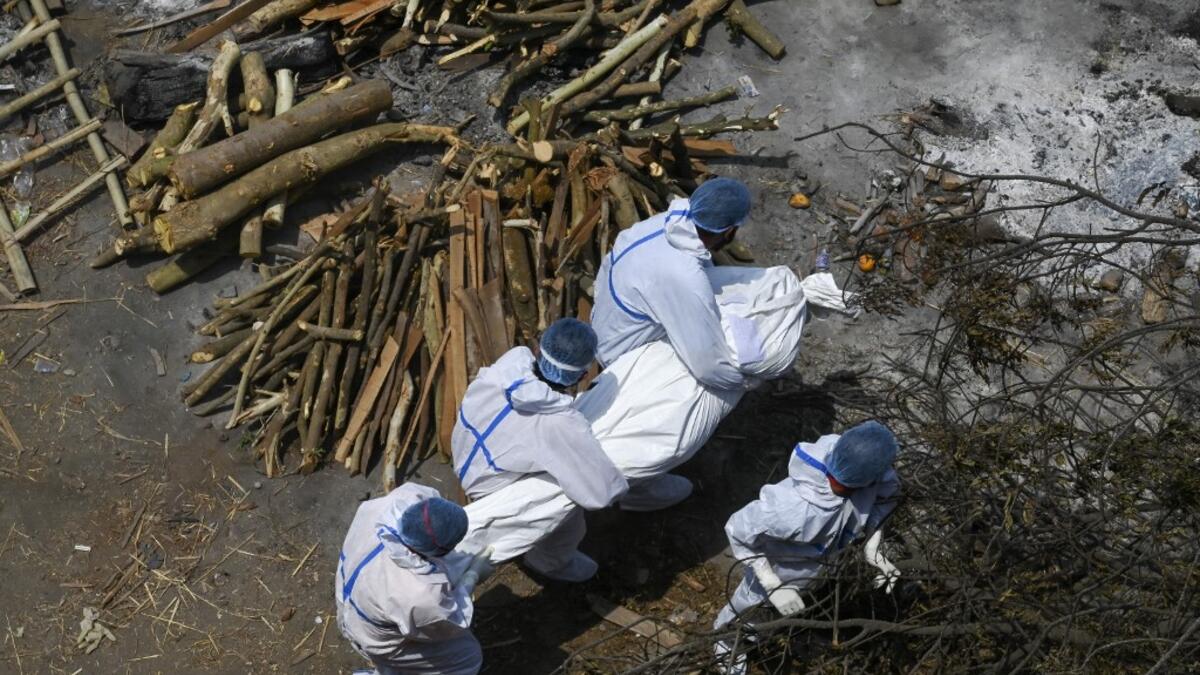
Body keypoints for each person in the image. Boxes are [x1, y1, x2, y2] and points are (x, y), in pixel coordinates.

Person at [591, 177, 755, 511]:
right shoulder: (683, 275)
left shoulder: (654, 226)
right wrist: (744, 381)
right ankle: (637, 487)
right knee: (698, 400)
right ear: (729, 231)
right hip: (624, 353)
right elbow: (708, 366)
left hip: (606, 326)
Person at [712, 421, 903, 672]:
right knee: (750, 608)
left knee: (776, 615)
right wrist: (772, 584)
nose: (886, 474)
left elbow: (886, 496)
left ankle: (758, 634)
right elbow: (738, 530)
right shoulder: (792, 508)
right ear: (866, 481)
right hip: (780, 569)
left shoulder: (858, 465)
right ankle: (726, 642)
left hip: (819, 569)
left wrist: (872, 548)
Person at [452, 317, 628, 582]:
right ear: (583, 375)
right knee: (568, 507)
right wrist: (620, 485)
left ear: (537, 350)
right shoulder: (560, 423)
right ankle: (549, 562)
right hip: (490, 486)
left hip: (463, 453)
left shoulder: (509, 365)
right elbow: (599, 494)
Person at [335, 483, 491, 675]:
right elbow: (446, 626)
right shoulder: (419, 593)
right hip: (374, 637)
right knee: (467, 658)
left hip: (348, 599)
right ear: (441, 551)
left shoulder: (398, 500)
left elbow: (432, 505)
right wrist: (471, 578)